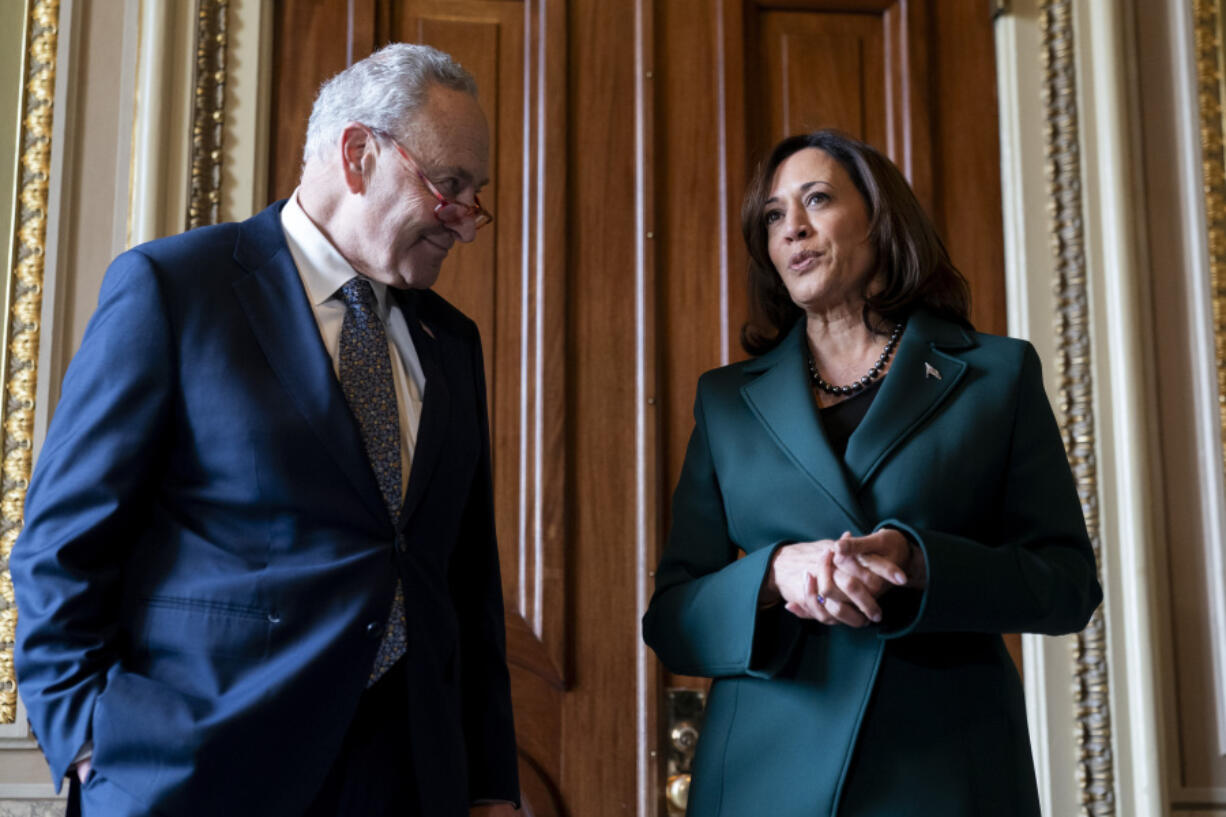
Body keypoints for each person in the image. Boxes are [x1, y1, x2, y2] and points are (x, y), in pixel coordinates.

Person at [11, 44, 519, 817]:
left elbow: (465, 582)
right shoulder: (175, 290)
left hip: (405, 784)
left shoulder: (452, 341)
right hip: (199, 775)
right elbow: (60, 547)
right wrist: (89, 736)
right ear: (358, 154)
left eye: (474, 195)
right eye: (449, 186)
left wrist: (487, 784)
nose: (466, 223)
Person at [641, 130, 1102, 816]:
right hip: (765, 780)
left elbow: (1066, 586)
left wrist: (921, 563)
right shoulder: (726, 401)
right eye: (772, 216)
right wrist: (772, 574)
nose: (791, 226)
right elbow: (673, 619)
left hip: (947, 771)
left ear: (881, 218)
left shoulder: (997, 376)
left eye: (816, 199)